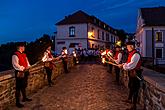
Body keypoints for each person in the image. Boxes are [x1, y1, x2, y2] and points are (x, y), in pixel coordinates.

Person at [118, 41, 142, 110]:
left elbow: (131, 65)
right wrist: (123, 64)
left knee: (135, 89)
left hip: (136, 73)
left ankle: (134, 106)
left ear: (132, 46)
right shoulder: (131, 53)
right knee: (131, 86)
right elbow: (128, 62)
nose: (127, 48)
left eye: (128, 46)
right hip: (132, 73)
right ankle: (129, 99)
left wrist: (123, 66)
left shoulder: (136, 55)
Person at [12, 42, 32, 108]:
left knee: (23, 86)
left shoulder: (24, 54)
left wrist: (29, 66)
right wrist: (23, 68)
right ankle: (17, 102)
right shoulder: (15, 55)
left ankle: (24, 98)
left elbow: (27, 62)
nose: (24, 48)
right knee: (18, 88)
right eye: (23, 47)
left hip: (25, 72)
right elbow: (15, 64)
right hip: (19, 73)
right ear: (20, 47)